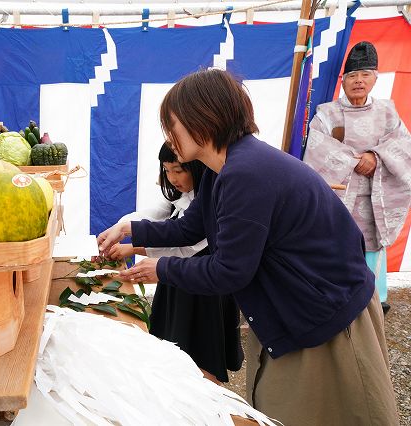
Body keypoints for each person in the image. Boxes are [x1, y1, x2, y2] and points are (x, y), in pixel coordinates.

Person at [97, 69, 399, 426]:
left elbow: (230, 270)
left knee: (328, 412)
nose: (169, 136)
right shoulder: (219, 168)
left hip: (326, 313)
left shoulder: (245, 172)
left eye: (172, 124)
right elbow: (191, 227)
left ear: (203, 120)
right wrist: (130, 228)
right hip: (294, 305)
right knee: (276, 405)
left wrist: (159, 269)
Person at [106, 143, 243, 385]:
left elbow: (187, 246)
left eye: (179, 170)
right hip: (175, 279)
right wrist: (122, 227)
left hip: (202, 289)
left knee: (201, 355)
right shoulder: (180, 194)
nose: (173, 178)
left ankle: (209, 407)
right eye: (167, 170)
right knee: (173, 347)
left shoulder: (210, 195)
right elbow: (154, 215)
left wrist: (137, 249)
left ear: (196, 166)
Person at [304, 41, 411, 314]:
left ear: (375, 78)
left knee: (372, 253)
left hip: (376, 200)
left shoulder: (388, 111)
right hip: (339, 199)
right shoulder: (326, 113)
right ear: (343, 80)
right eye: (352, 76)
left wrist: (376, 157)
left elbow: (402, 147)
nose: (358, 81)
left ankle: (374, 303)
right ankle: (336, 304)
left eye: (365, 75)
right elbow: (316, 149)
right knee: (335, 249)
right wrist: (355, 160)